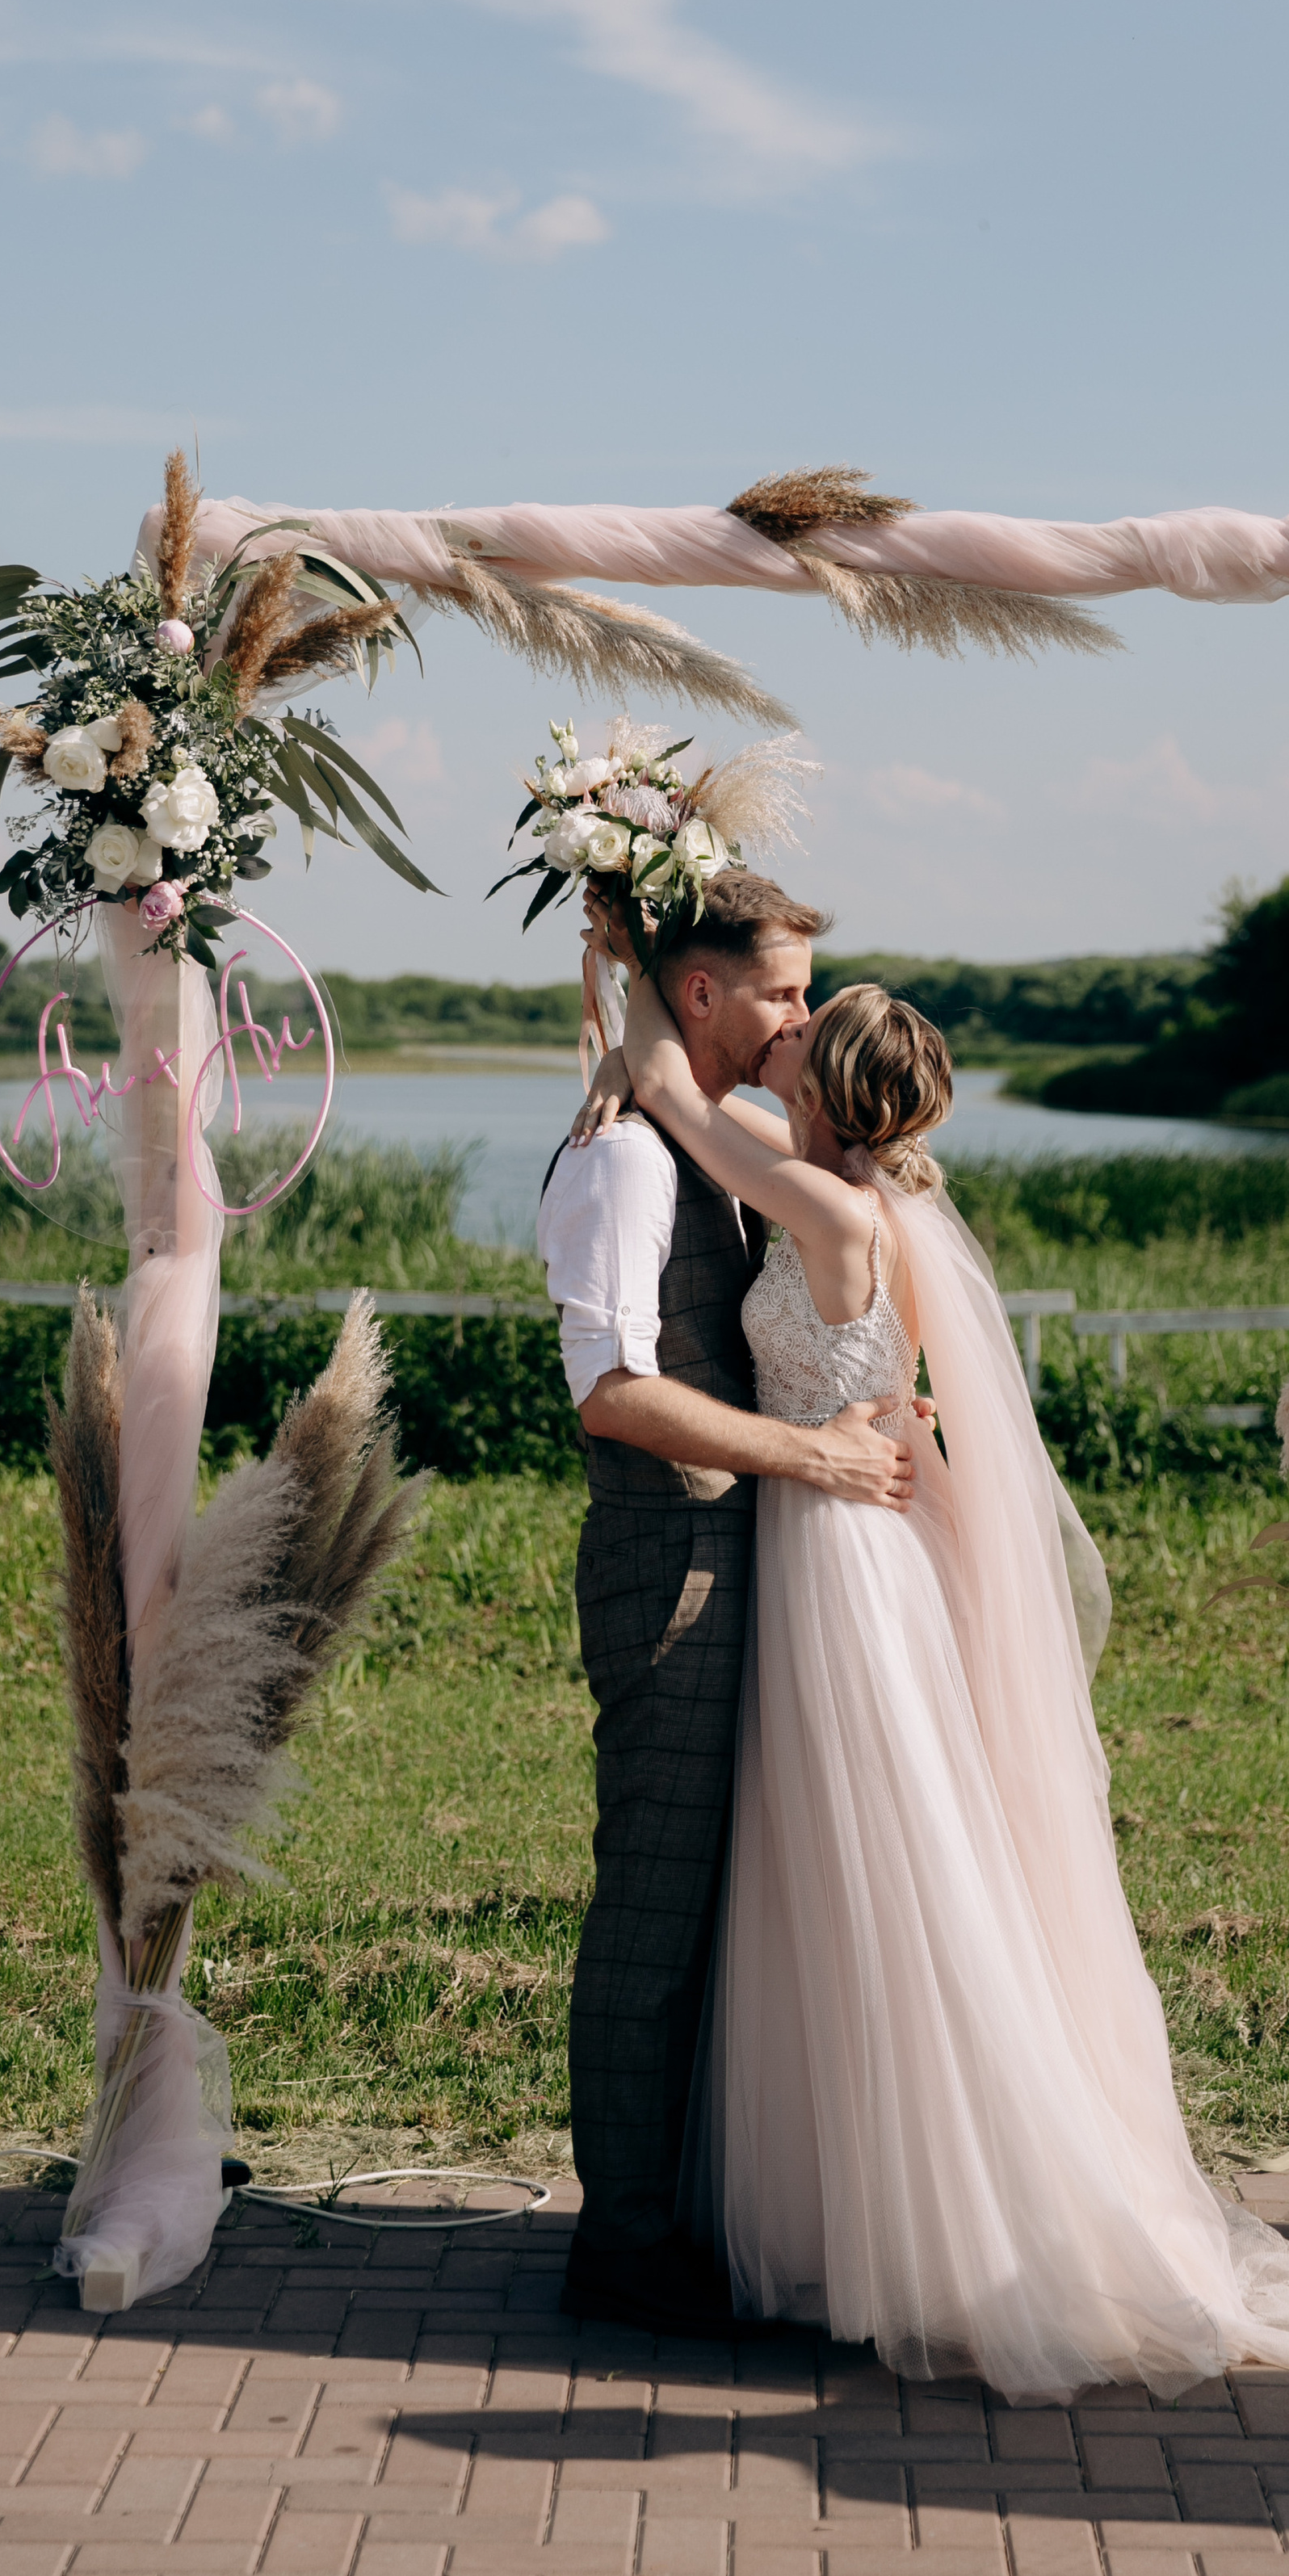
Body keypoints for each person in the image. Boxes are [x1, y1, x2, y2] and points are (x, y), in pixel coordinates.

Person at [572, 962, 1289, 2402]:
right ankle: (846, 2213)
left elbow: (679, 1102)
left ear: (825, 1084)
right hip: (833, 1536)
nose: (784, 1030)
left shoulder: (831, 1207)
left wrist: (628, 1026)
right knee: (828, 1872)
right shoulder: (882, 1206)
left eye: (804, 1022)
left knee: (885, 1864)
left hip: (837, 1562)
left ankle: (941, 2221)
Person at [535, 870, 919, 2342]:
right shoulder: (633, 1164)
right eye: (778, 989)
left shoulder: (716, 1141)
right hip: (668, 1577)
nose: (802, 1013)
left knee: (716, 1908)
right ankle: (622, 2248)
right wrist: (815, 1450)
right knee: (651, 1910)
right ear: (700, 994)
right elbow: (613, 1395)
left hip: (749, 1567)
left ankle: (689, 2207)